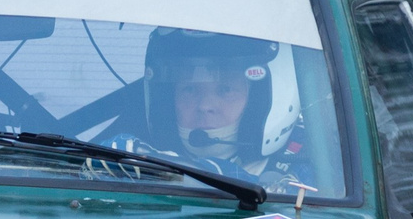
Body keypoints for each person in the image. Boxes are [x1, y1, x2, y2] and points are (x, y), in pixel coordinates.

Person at [103, 27, 323, 186]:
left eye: (225, 90)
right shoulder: (134, 147)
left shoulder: (316, 159)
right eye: (189, 90)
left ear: (262, 100)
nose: (205, 106)